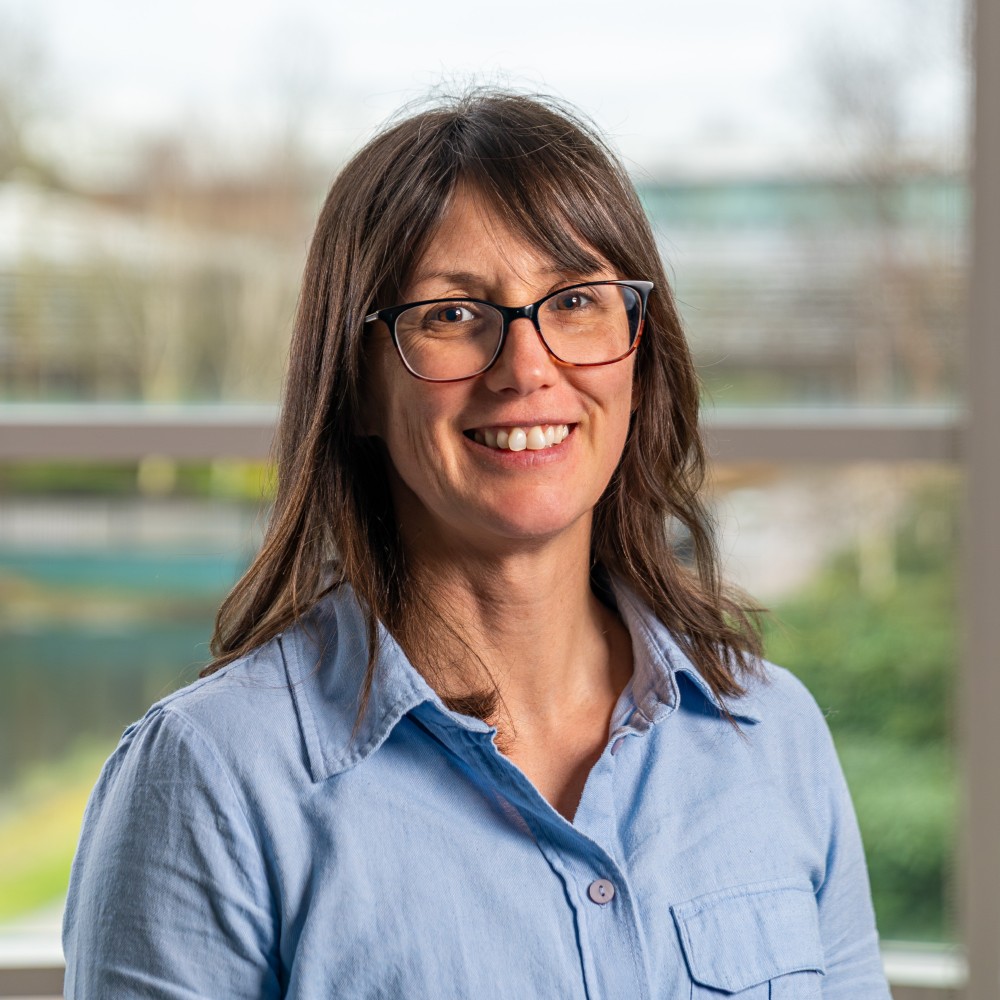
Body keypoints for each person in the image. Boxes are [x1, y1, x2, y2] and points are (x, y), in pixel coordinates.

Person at [63, 91, 891, 999]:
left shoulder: (774, 735)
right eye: (452, 315)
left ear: (639, 351)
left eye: (575, 300)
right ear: (358, 382)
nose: (527, 368)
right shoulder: (210, 779)